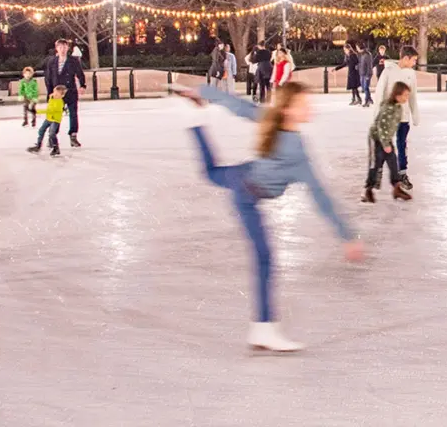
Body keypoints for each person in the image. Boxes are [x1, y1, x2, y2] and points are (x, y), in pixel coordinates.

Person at [179, 81, 364, 352]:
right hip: (246, 191)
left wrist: (203, 92)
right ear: (288, 110)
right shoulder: (296, 150)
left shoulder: (277, 126)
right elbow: (320, 196)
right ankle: (263, 329)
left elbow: (239, 107)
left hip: (243, 175)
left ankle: (193, 119)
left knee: (211, 173)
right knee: (265, 257)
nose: (310, 109)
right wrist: (346, 235)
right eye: (304, 105)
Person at [372, 46, 420, 188]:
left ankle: (402, 173)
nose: (414, 63)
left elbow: (413, 96)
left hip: (403, 117)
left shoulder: (411, 74)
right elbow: (379, 93)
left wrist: (415, 114)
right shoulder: (388, 71)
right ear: (406, 58)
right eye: (414, 60)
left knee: (402, 145)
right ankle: (377, 172)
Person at [362, 81, 412, 202]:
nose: (407, 98)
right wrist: (385, 144)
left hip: (386, 139)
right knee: (376, 164)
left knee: (393, 162)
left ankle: (396, 188)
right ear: (397, 95)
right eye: (405, 95)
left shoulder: (398, 107)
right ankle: (368, 190)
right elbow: (381, 126)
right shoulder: (388, 108)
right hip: (376, 138)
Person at [44, 38, 86, 147]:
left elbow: (80, 73)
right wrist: (49, 92)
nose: (62, 49)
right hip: (57, 93)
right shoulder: (51, 61)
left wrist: (82, 85)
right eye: (60, 47)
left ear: (68, 48)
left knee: (73, 114)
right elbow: (48, 78)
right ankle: (52, 136)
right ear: (56, 48)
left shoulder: (73, 61)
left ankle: (73, 135)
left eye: (64, 47)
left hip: (70, 90)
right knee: (55, 115)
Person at [27, 86, 67, 157]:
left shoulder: (59, 102)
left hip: (55, 120)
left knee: (52, 133)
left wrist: (36, 111)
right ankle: (38, 145)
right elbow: (49, 108)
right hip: (49, 119)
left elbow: (50, 110)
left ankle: (56, 147)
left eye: (57, 94)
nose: (55, 95)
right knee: (41, 130)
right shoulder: (51, 99)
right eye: (55, 93)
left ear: (62, 96)